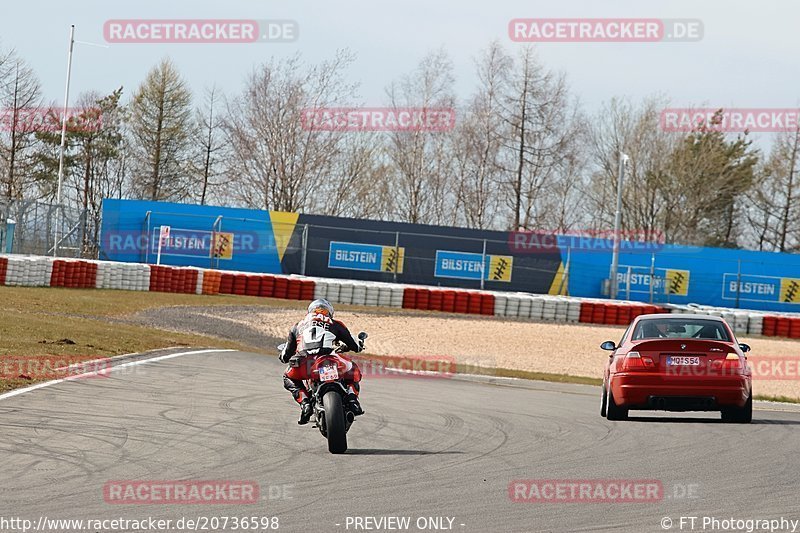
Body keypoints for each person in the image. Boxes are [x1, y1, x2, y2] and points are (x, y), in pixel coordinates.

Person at [279, 299, 364, 425]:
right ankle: (352, 400)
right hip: (328, 357)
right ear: (329, 312)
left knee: (288, 377)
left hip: (305, 361)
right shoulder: (335, 323)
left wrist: (282, 355)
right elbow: (355, 346)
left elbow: (285, 356)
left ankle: (305, 403)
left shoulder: (297, 326)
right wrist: (360, 343)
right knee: (353, 369)